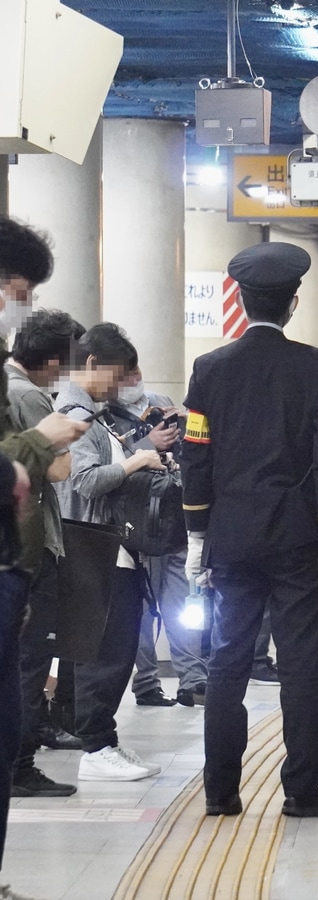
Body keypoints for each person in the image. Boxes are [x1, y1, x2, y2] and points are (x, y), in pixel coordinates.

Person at [181, 241, 318, 819]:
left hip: (230, 537)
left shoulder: (209, 370)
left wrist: (197, 536)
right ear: (294, 303)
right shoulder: (316, 366)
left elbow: (195, 455)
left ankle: (221, 791)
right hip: (296, 538)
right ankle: (302, 791)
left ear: (241, 299)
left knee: (227, 658)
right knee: (301, 659)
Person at [0, 219, 90, 863]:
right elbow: (35, 465)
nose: (16, 302)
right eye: (18, 288)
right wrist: (44, 440)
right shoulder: (24, 391)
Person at [56, 323, 166, 784]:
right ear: (92, 365)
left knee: (116, 646)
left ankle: (104, 740)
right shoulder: (73, 412)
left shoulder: (98, 411)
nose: (120, 384)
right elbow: (83, 480)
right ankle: (96, 746)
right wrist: (138, 459)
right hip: (91, 545)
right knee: (103, 651)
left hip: (111, 545)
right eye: (115, 375)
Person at [7, 309, 87, 798]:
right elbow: (59, 471)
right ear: (53, 360)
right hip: (31, 544)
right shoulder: (29, 395)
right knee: (31, 659)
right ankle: (21, 765)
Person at [112, 369, 208, 707]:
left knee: (182, 606)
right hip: (136, 525)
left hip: (173, 520)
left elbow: (188, 452)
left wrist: (184, 429)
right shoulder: (106, 413)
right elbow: (112, 467)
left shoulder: (160, 403)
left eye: (131, 373)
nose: (129, 382)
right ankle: (147, 683)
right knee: (140, 612)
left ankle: (193, 680)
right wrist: (145, 444)